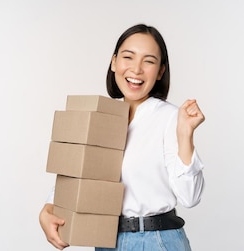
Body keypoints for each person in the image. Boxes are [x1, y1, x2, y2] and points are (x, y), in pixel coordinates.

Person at [39, 24, 206, 251]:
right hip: (106, 240)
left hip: (155, 241)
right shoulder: (103, 115)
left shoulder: (170, 118)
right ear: (114, 62)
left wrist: (185, 134)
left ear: (160, 71)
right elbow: (81, 172)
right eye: (128, 57)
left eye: (148, 61)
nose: (136, 69)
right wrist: (49, 208)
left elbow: (190, 198)